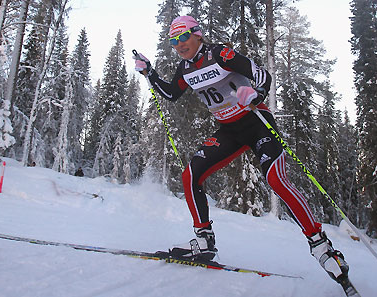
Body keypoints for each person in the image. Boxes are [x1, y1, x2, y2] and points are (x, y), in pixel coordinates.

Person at [133, 15, 350, 284]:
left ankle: (322, 246)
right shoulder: (185, 68)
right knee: (191, 176)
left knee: (275, 179)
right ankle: (204, 240)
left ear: (197, 33)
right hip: (229, 131)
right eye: (173, 41)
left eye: (183, 37)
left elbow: (262, 75)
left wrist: (255, 93)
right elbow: (170, 94)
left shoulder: (220, 54)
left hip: (256, 122)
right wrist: (149, 72)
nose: (179, 44)